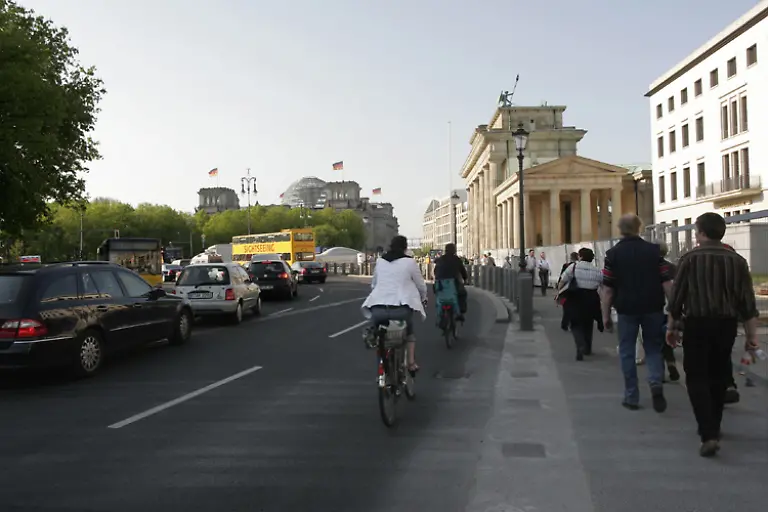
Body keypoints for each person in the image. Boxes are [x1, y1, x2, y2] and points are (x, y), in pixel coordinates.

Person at [666, 213, 759, 457]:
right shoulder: (737, 261)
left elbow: (677, 300)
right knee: (718, 374)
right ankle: (714, 428)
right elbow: (747, 303)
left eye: (697, 231)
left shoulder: (689, 259)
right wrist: (752, 336)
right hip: (726, 325)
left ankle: (707, 432)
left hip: (697, 324)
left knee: (696, 376)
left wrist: (672, 327)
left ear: (702, 233)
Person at [601, 214, 673, 413]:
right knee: (653, 348)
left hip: (626, 309)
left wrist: (605, 315)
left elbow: (607, 290)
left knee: (626, 351)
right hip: (653, 307)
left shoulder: (613, 254)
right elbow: (667, 283)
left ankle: (632, 396)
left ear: (620, 229)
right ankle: (655, 382)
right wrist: (674, 309)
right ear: (639, 228)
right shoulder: (654, 252)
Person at [362, 236, 428, 372]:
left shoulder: (380, 262)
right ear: (405, 248)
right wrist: (423, 298)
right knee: (409, 333)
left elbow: (374, 284)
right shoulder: (410, 263)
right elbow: (421, 286)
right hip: (401, 309)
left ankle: (381, 365)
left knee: (379, 335)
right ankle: (410, 363)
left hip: (378, 309)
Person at [556, 248, 604, 360]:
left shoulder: (573, 267)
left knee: (576, 324)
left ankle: (579, 345)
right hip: (592, 299)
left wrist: (559, 292)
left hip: (576, 298)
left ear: (580, 256)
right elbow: (603, 286)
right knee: (588, 323)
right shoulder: (597, 270)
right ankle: (587, 348)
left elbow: (563, 280)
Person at [657, 242, 680, 382]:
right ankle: (671, 363)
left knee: (656, 341)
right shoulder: (673, 268)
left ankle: (660, 371)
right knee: (667, 337)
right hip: (671, 308)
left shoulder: (652, 267)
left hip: (656, 308)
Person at [433, 243, 468, 321]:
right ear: (454, 250)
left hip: (440, 282)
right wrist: (465, 279)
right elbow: (462, 271)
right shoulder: (456, 259)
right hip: (453, 281)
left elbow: (435, 271)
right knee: (462, 294)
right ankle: (460, 312)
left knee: (439, 294)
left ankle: (441, 314)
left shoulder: (440, 259)